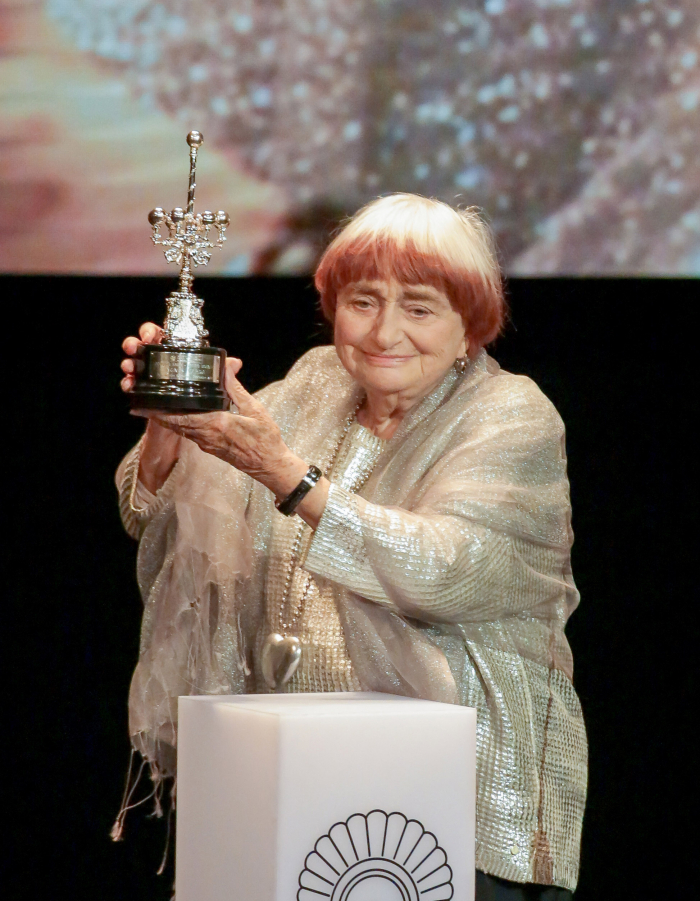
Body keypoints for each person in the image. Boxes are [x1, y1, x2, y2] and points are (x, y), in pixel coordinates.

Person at [117, 193, 586, 899]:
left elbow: (444, 568)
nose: (384, 331)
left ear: (470, 327)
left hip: (457, 807)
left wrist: (288, 476)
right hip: (296, 783)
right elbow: (167, 516)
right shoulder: (314, 384)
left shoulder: (511, 417)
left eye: (419, 308)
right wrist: (169, 422)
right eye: (363, 301)